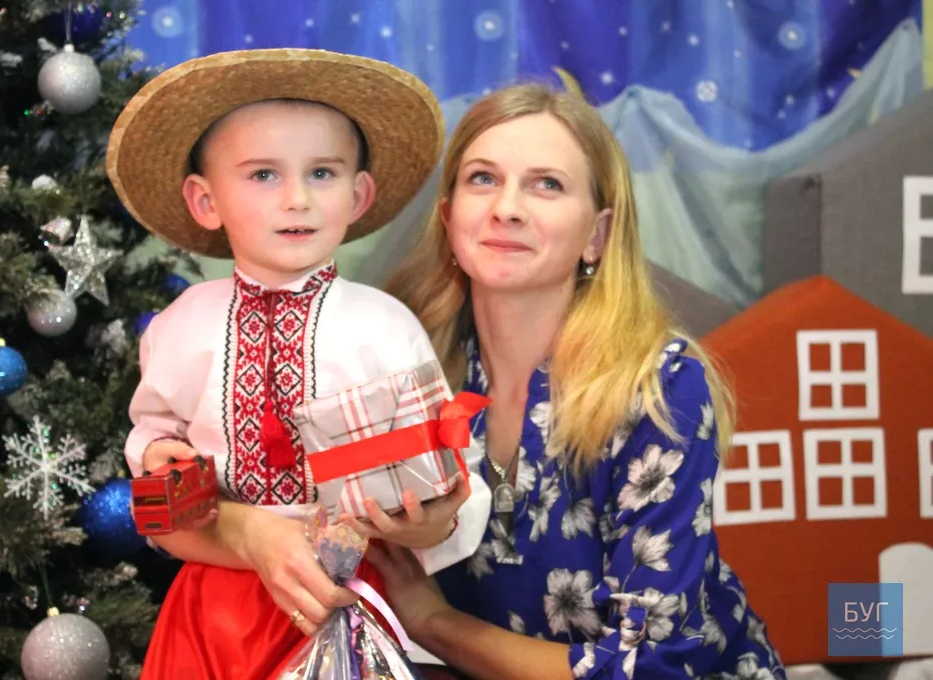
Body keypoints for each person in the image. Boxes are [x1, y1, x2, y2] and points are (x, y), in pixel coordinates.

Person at [366, 83, 787, 679]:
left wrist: (435, 623)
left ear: (597, 234)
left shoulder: (659, 388)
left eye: (547, 184)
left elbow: (645, 668)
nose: (507, 208)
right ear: (448, 214)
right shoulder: (404, 370)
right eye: (483, 178)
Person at [106, 48, 490, 679]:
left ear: (358, 194)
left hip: (346, 600)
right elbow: (154, 435)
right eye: (263, 174)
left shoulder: (384, 325)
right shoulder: (180, 326)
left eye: (322, 173)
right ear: (205, 200)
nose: (297, 199)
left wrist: (434, 519)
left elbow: (449, 462)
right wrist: (157, 456)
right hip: (215, 603)